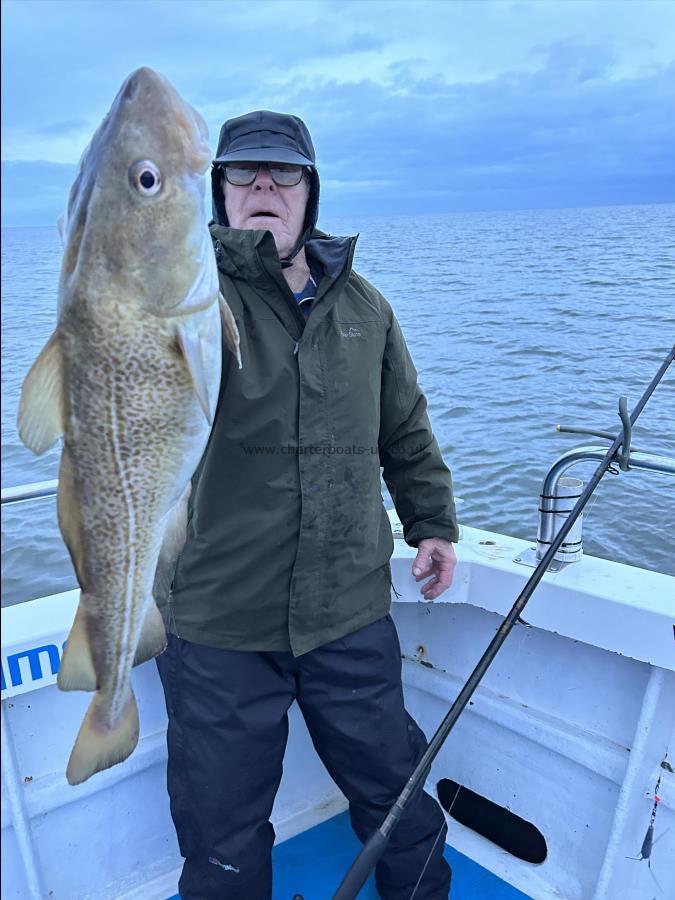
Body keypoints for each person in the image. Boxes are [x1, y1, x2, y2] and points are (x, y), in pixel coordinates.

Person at [155, 109, 459, 900]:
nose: (263, 185)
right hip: (218, 618)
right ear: (216, 191)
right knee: (220, 840)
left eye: (282, 172)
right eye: (242, 171)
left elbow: (404, 428)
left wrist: (431, 523)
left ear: (309, 191)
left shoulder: (364, 308)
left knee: (398, 802)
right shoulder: (181, 294)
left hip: (347, 609)